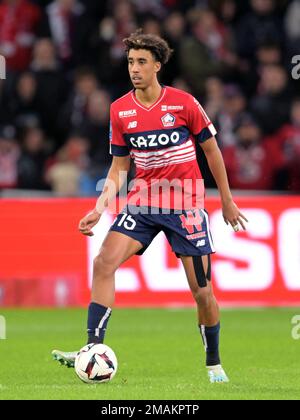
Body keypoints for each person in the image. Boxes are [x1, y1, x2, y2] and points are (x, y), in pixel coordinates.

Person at [52, 30, 248, 384]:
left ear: (157, 66)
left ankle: (214, 363)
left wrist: (228, 201)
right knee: (103, 262)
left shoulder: (184, 103)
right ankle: (92, 347)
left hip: (186, 205)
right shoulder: (120, 110)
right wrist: (100, 207)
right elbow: (119, 167)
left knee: (202, 292)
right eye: (130, 62)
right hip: (142, 202)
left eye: (142, 62)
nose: (135, 69)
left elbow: (212, 151)